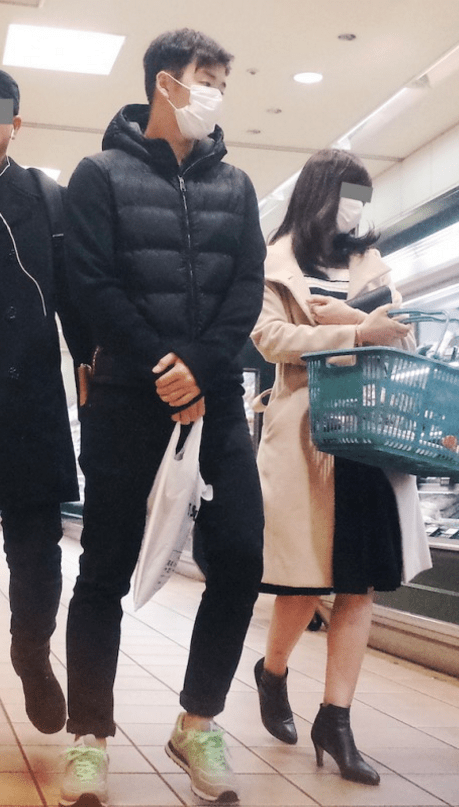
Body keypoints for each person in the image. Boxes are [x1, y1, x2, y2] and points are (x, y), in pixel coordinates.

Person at [62, 28, 265, 806]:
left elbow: (245, 287)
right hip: (125, 398)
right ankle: (89, 736)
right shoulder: (99, 175)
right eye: (204, 80)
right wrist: (163, 368)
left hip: (216, 403)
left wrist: (201, 369)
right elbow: (91, 284)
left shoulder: (236, 187)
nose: (214, 96)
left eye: (221, 84)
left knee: (240, 556)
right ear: (165, 85)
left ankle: (197, 720)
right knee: (103, 567)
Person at [251, 149, 432, 786]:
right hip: (308, 436)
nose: (356, 208)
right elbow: (269, 338)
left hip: (370, 434)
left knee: (360, 584)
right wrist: (352, 335)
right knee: (304, 584)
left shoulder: (372, 265)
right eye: (349, 194)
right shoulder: (275, 262)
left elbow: (405, 337)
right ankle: (272, 674)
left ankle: (337, 719)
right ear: (320, 194)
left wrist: (355, 320)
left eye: (364, 196)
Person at [0, 70, 79, 735]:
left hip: (29, 409)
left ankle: (31, 651)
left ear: (15, 124)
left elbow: (79, 307)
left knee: (37, 553)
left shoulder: (47, 198)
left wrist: (96, 378)